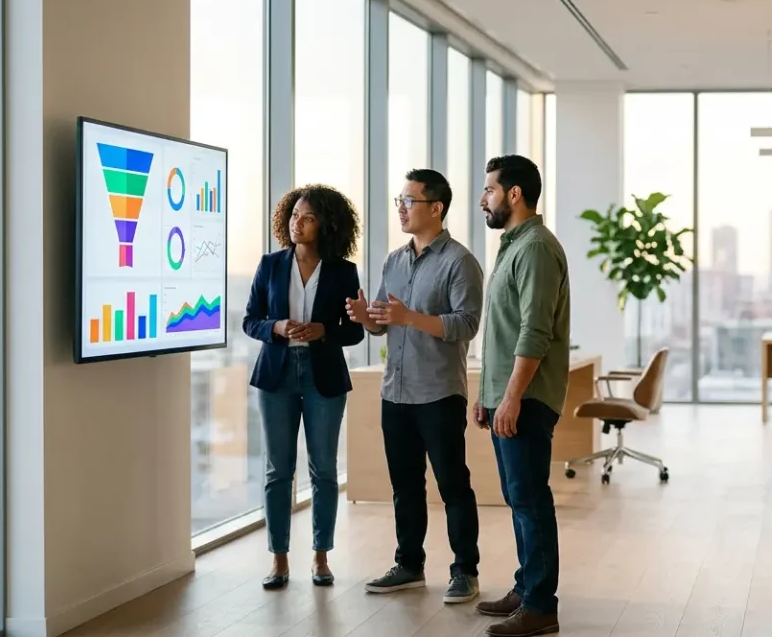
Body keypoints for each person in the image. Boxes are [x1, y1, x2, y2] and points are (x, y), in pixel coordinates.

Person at [345, 169, 485, 604]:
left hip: (439, 393)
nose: (402, 209)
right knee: (405, 486)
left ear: (436, 207)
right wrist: (367, 317)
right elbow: (386, 327)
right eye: (399, 201)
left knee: (452, 485)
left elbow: (466, 324)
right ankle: (409, 565)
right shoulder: (394, 260)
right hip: (396, 393)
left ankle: (465, 571)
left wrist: (410, 318)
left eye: (410, 201)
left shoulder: (460, 262)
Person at [242, 184, 365, 591]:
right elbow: (250, 321)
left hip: (323, 376)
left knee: (324, 469)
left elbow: (355, 332)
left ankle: (320, 557)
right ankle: (278, 561)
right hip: (276, 376)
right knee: (278, 470)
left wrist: (323, 330)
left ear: (325, 223)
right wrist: (275, 327)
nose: (298, 223)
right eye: (294, 215)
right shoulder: (270, 265)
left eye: (308, 217)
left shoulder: (344, 271)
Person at [472, 155, 570, 637]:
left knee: (530, 499)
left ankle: (539, 605)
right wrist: (486, 394)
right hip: (507, 396)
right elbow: (502, 330)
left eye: (489, 190)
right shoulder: (513, 247)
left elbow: (535, 331)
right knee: (519, 498)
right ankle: (525, 586)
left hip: (526, 400)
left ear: (514, 194)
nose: (482, 199)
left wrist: (510, 398)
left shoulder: (534, 248)